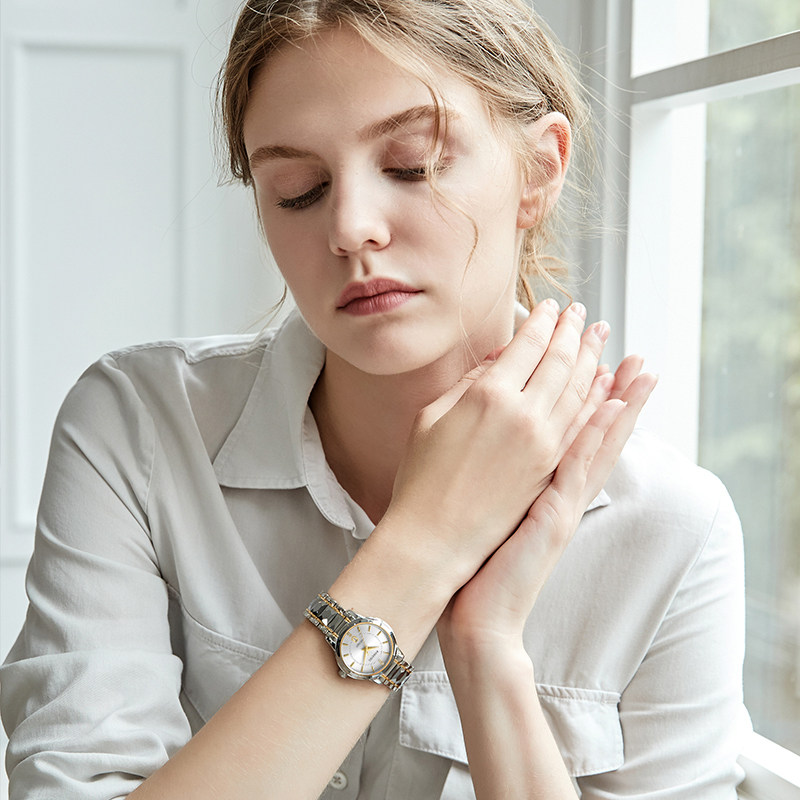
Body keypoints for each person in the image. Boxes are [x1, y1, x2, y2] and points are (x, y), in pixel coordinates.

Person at [1, 1, 748, 798]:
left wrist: (487, 648)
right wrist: (422, 549)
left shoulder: (673, 532)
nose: (350, 228)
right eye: (299, 189)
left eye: (412, 166)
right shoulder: (138, 427)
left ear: (538, 171)